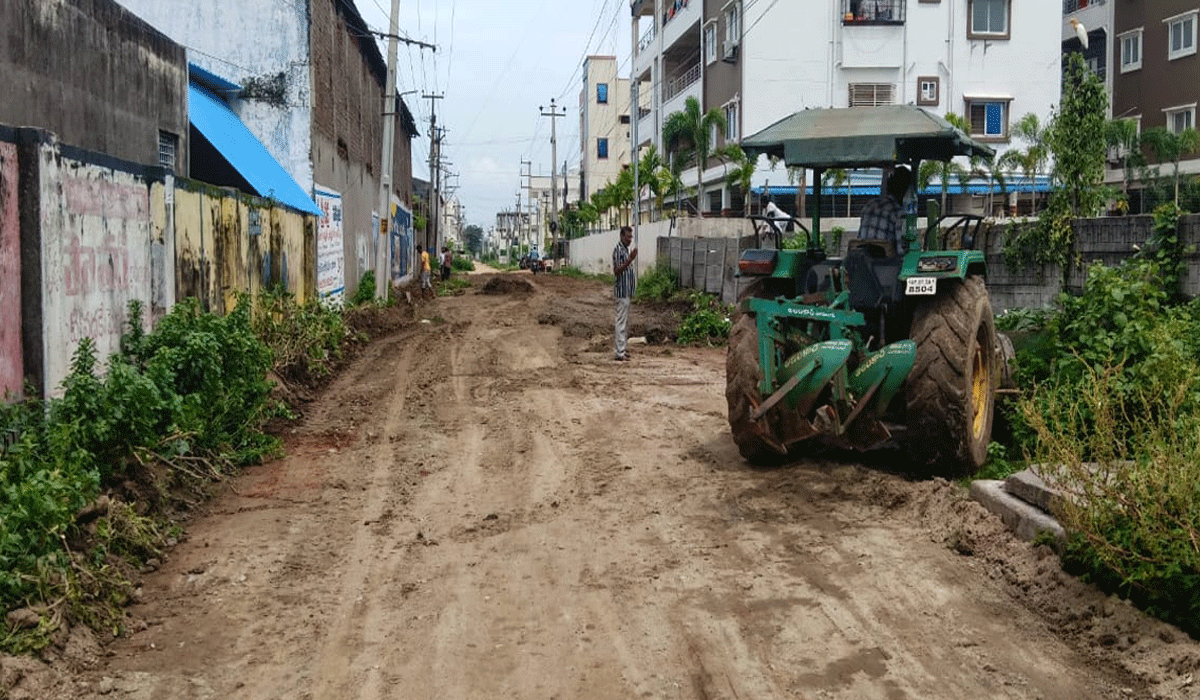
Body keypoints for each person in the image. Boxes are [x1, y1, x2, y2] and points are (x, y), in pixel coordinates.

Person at [857, 166, 912, 255]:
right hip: (884, 264)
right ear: (904, 190)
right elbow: (900, 250)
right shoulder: (897, 211)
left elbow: (860, 237)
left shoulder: (869, 204)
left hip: (862, 261)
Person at [612, 225, 638, 362]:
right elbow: (617, 270)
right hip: (622, 292)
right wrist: (630, 260)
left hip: (627, 292)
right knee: (621, 322)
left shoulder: (625, 250)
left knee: (625, 323)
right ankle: (619, 352)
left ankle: (622, 348)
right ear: (621, 236)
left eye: (631, 237)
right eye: (628, 237)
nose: (630, 240)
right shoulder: (618, 250)